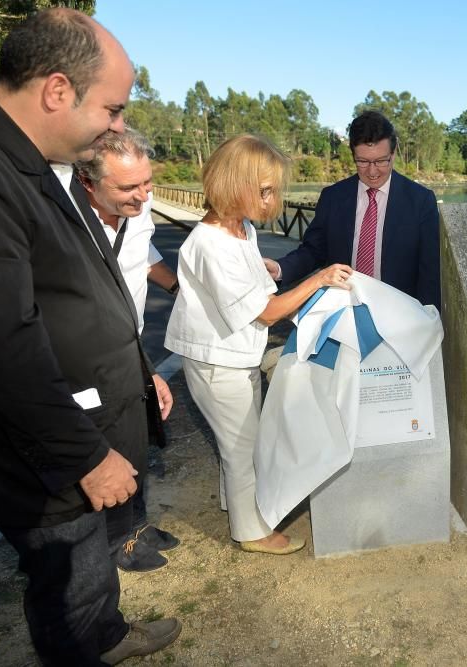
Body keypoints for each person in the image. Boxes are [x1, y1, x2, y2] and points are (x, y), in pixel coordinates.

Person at [0, 8, 180, 665]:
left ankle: (106, 634)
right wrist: (85, 455)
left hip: (85, 424)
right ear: (57, 90)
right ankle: (88, 645)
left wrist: (139, 371)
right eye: (111, 108)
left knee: (92, 568)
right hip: (46, 457)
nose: (117, 123)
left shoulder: (26, 160)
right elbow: (1, 344)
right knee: (69, 582)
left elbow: (90, 289)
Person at [164, 134, 352, 555]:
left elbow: (258, 286)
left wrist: (272, 275)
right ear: (234, 184)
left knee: (241, 438)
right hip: (219, 362)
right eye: (264, 190)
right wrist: (318, 280)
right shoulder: (211, 244)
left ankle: (239, 506)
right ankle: (251, 532)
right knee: (242, 445)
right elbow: (267, 312)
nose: (272, 201)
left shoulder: (240, 229)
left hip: (233, 356)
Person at [76, 127, 182, 572]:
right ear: (88, 183)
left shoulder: (138, 210)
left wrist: (181, 287)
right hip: (87, 354)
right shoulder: (67, 225)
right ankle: (114, 541)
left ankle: (134, 524)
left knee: (138, 435)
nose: (142, 197)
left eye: (147, 183)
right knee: (105, 447)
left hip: (130, 343)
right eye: (127, 188)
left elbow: (146, 254)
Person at [264, 110, 440, 308]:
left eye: (381, 161)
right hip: (342, 311)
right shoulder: (333, 197)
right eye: (363, 162)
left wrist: (427, 322)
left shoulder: (421, 200)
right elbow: (314, 251)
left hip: (399, 315)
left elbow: (430, 273)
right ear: (353, 155)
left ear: (394, 153)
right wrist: (280, 268)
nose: (372, 171)